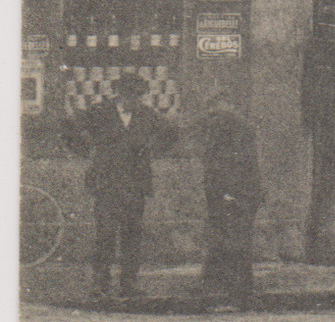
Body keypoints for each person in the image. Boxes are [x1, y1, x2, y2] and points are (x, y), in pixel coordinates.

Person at [61, 73, 178, 298]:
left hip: (135, 184)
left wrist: (153, 151)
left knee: (132, 234)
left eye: (137, 96)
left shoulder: (146, 114)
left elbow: (171, 133)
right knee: (105, 234)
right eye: (129, 95)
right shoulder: (99, 111)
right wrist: (85, 151)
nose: (133, 100)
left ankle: (129, 283)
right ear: (119, 94)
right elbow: (69, 128)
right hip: (107, 184)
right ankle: (100, 284)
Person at [198, 90, 262, 308]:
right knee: (227, 239)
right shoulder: (223, 127)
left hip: (236, 194)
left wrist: (230, 192)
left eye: (215, 106)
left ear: (229, 104)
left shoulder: (237, 129)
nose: (211, 111)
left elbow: (240, 164)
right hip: (224, 193)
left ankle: (239, 294)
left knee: (236, 242)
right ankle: (227, 290)